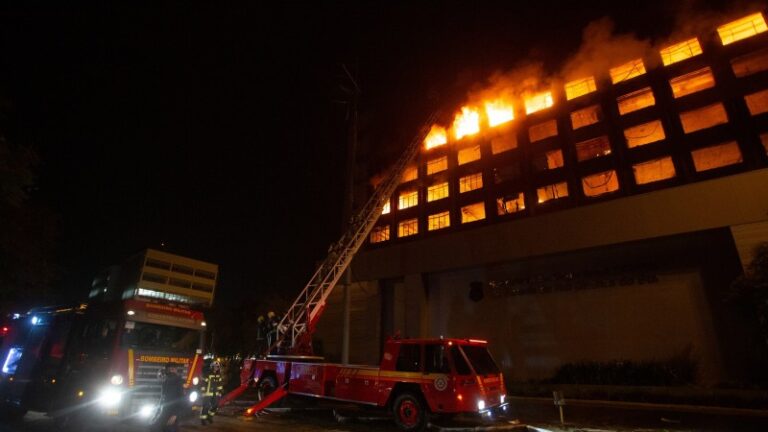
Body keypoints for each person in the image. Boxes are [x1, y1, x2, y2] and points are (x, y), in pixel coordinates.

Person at [159, 362, 185, 432]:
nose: (171, 371)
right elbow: (163, 397)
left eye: (173, 369)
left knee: (171, 429)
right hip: (165, 412)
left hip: (172, 413)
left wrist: (175, 414)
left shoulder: (178, 382)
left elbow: (181, 399)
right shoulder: (166, 381)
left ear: (176, 370)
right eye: (169, 369)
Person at [199, 361, 224, 425]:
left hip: (215, 393)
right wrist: (203, 391)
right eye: (215, 367)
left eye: (217, 367)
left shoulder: (218, 375)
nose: (216, 368)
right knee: (206, 406)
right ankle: (203, 419)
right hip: (207, 393)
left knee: (215, 406)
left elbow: (219, 384)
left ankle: (209, 416)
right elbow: (203, 383)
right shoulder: (207, 374)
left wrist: (220, 391)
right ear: (212, 367)